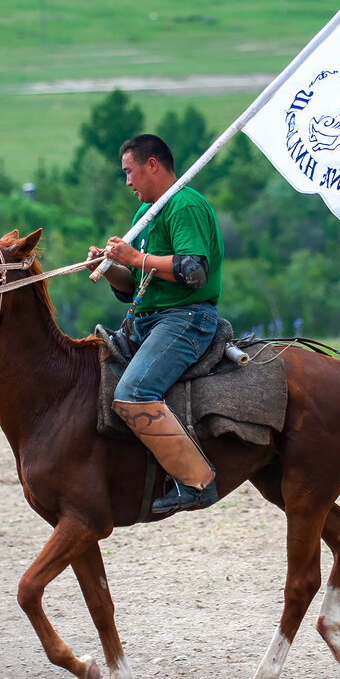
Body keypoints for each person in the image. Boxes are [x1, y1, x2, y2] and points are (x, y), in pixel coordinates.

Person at [86, 134, 224, 515]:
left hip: (186, 318)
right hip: (149, 319)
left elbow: (193, 271)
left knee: (134, 392)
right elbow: (134, 289)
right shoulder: (143, 215)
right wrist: (111, 266)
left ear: (152, 165)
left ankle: (196, 483)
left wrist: (135, 257)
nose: (127, 182)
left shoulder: (184, 205)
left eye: (129, 172)